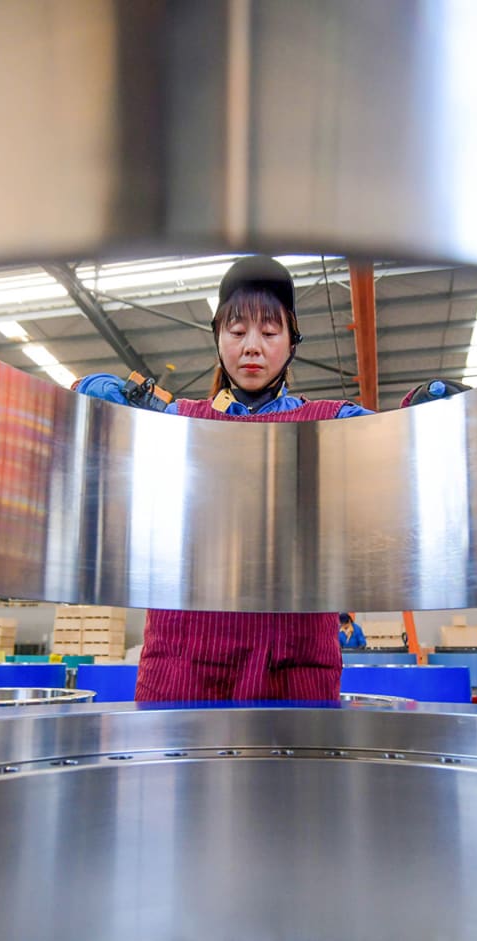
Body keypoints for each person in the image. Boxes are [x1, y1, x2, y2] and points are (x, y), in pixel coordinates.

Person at [74, 255, 374, 702]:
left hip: (294, 668)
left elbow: (393, 439)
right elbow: (89, 435)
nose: (252, 346)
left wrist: (423, 410)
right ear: (217, 337)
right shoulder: (175, 420)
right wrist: (100, 402)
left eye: (270, 332)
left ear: (293, 340)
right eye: (236, 332)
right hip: (183, 666)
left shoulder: (333, 423)